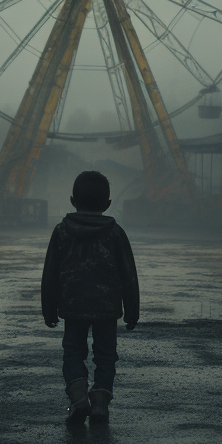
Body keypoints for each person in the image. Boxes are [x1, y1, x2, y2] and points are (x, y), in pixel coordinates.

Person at [41, 170, 140, 424]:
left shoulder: (62, 231)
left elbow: (50, 272)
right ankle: (99, 403)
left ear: (73, 200)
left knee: (73, 351)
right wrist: (132, 310)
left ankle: (77, 398)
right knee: (106, 354)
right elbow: (129, 274)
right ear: (107, 205)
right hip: (107, 309)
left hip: (73, 307)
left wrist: (48, 309)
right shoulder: (115, 233)